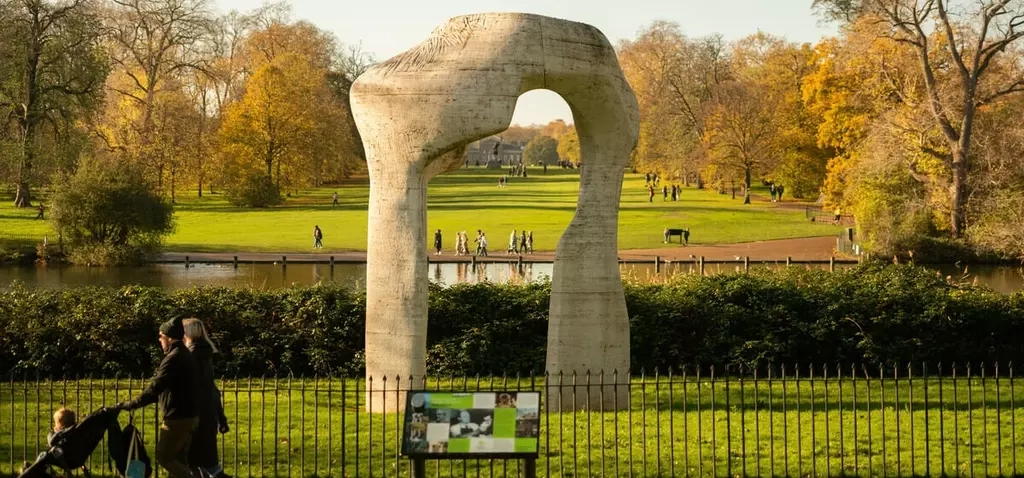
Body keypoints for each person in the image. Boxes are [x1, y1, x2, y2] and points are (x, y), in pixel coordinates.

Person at [111, 317, 200, 478]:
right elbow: (164, 389)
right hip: (190, 415)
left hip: (177, 416)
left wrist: (133, 404)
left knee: (164, 457)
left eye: (161, 336)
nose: (159, 339)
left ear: (169, 337)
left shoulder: (173, 358)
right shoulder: (185, 354)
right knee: (179, 458)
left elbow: (156, 387)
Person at [183, 319, 230, 478]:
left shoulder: (191, 353)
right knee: (206, 462)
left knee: (193, 461)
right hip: (208, 410)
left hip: (195, 411)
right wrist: (221, 417)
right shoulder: (206, 353)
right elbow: (211, 388)